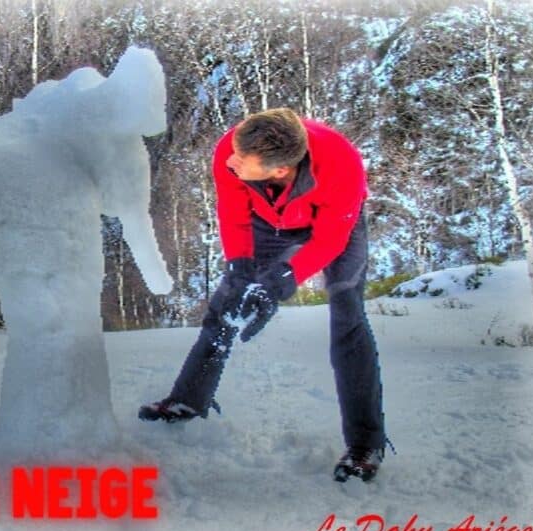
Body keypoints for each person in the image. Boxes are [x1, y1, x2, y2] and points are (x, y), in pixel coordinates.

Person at [139, 108, 393, 482]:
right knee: (226, 306)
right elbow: (232, 209)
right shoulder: (234, 146)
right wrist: (240, 266)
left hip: (333, 226)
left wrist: (277, 285)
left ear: (279, 170)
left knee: (348, 318)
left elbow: (328, 241)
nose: (230, 161)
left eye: (242, 161)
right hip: (266, 220)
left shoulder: (342, 164)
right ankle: (188, 401)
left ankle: (365, 444)